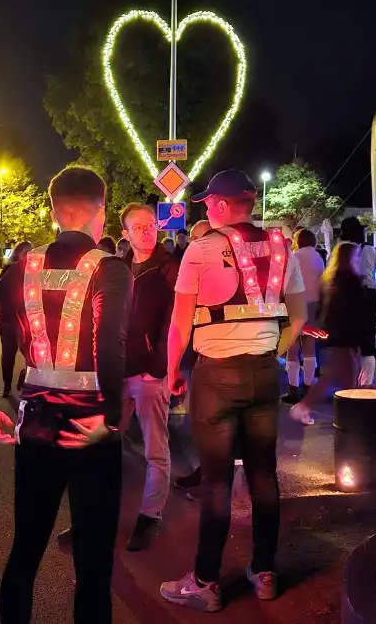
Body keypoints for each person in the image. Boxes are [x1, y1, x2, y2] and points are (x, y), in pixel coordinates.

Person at [0, 166, 131, 624]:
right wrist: (113, 417)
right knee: (93, 563)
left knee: (26, 551)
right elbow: (109, 343)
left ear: (54, 210)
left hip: (35, 425)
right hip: (91, 427)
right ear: (102, 209)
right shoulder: (110, 269)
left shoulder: (23, 269)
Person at [161, 170, 308, 612]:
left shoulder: (201, 250)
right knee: (264, 475)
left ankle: (206, 581)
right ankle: (264, 571)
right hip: (264, 374)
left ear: (223, 206)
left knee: (217, 482)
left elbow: (179, 324)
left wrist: (172, 372)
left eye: (209, 202)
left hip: (216, 378)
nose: (205, 207)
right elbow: (298, 318)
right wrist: (272, 353)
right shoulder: (285, 247)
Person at [119, 202, 180, 551]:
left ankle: (150, 515)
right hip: (118, 372)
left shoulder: (168, 268)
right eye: (138, 227)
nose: (147, 231)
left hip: (149, 374)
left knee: (155, 449)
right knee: (103, 444)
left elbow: (174, 322)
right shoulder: (120, 268)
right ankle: (96, 516)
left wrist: (160, 366)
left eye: (151, 224)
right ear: (126, 234)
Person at [291, 242, 376, 424]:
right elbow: (355, 312)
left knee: (345, 373)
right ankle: (306, 406)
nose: (357, 260)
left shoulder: (331, 278)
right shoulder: (351, 280)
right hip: (347, 334)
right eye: (355, 257)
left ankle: (349, 413)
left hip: (336, 332)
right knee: (336, 373)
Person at [171, 219, 212, 489]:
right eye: (194, 239)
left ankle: (209, 473)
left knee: (206, 417)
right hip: (200, 353)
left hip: (207, 355)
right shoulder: (188, 265)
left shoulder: (200, 266)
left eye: (201, 238)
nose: (196, 244)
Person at [337, 217, 376, 387]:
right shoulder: (371, 251)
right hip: (368, 296)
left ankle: (350, 382)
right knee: (368, 340)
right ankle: (366, 382)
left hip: (346, 298)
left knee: (348, 341)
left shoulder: (339, 251)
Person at [283, 229, 326, 405]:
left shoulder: (294, 257)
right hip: (314, 304)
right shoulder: (318, 258)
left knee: (292, 349)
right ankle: (308, 387)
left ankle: (293, 389)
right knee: (310, 348)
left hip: (294, 303)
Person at [0, 241, 33, 398]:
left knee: (32, 354)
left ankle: (26, 380)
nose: (28, 256)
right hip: (8, 321)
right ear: (18, 254)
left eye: (30, 253)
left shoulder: (35, 272)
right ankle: (6, 385)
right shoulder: (9, 271)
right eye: (26, 253)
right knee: (8, 354)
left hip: (28, 320)